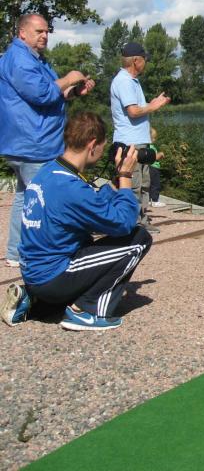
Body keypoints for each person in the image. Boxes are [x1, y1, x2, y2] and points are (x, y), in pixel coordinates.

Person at [1, 112, 152, 330]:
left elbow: (89, 204)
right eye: (102, 147)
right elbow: (124, 223)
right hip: (54, 276)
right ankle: (87, 311)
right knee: (139, 239)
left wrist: (114, 185)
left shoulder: (49, 171)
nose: (102, 153)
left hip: (35, 275)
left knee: (86, 249)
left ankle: (31, 301)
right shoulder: (71, 187)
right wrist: (126, 177)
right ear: (92, 145)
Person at [0, 13, 95, 269]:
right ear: (22, 33)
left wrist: (75, 91)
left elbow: (52, 94)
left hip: (28, 142)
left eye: (46, 32)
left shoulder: (34, 59)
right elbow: (41, 94)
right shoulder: (20, 59)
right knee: (45, 200)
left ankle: (16, 253)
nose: (44, 36)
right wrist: (69, 78)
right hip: (33, 143)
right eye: (39, 31)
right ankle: (41, 258)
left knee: (25, 198)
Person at [110, 42, 170, 231]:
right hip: (130, 144)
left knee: (144, 183)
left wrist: (151, 103)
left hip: (139, 142)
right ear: (136, 61)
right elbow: (133, 111)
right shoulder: (124, 81)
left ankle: (142, 220)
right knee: (133, 184)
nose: (146, 63)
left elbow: (137, 108)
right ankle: (133, 222)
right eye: (144, 59)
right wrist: (153, 106)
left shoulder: (131, 81)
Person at [148, 127, 166, 207]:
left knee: (149, 184)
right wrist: (161, 154)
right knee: (155, 184)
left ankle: (148, 200)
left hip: (149, 167)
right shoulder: (150, 147)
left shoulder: (146, 146)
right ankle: (155, 200)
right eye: (153, 138)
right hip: (153, 168)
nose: (155, 140)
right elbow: (154, 157)